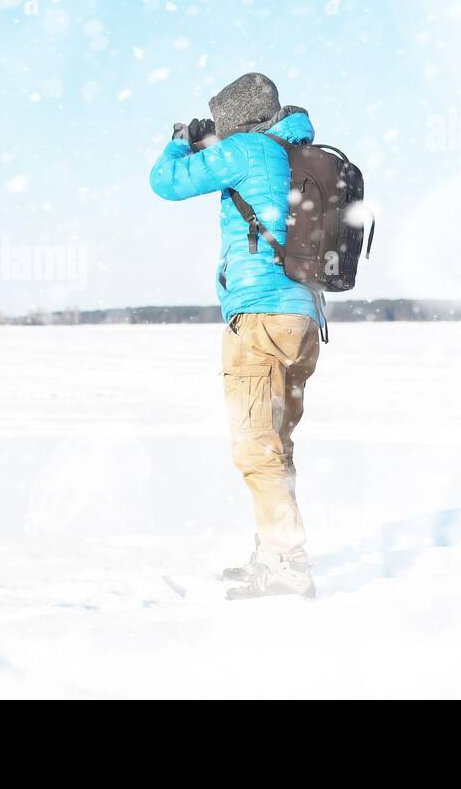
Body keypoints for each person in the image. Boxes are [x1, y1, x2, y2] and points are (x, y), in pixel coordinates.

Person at [149, 72, 322, 600]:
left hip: (260, 317)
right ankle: (273, 554)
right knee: (276, 442)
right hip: (303, 319)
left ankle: (288, 565)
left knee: (255, 445)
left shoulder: (247, 149)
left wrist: (180, 141)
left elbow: (167, 182)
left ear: (236, 119)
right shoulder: (294, 152)